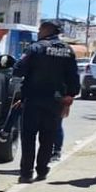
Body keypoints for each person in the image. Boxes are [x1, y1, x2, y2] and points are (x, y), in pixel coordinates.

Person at [11, 19, 80, 183]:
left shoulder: (36, 47)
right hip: (55, 101)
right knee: (48, 137)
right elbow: (73, 76)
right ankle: (42, 170)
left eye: (40, 29)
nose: (38, 32)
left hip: (33, 99)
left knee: (29, 138)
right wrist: (70, 94)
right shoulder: (68, 50)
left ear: (46, 30)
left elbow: (19, 69)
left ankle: (26, 173)